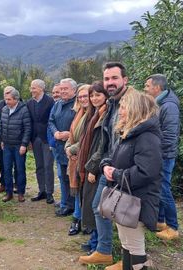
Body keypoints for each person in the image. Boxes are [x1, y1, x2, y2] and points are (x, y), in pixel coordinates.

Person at [79, 62, 134, 266]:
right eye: (107, 79)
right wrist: (102, 164)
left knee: (124, 213)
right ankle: (104, 250)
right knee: (100, 207)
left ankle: (130, 257)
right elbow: (107, 138)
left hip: (125, 169)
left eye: (114, 78)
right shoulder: (111, 104)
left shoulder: (133, 102)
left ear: (125, 80)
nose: (110, 82)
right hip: (108, 166)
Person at [100, 91, 162, 270]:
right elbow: (114, 156)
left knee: (135, 248)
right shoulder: (130, 133)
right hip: (126, 198)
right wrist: (106, 165)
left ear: (136, 109)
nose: (121, 111)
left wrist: (117, 175)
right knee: (127, 244)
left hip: (137, 200)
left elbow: (146, 172)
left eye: (124, 106)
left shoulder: (147, 137)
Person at [144, 74, 180, 241]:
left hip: (164, 155)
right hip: (160, 154)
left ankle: (173, 227)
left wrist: (153, 149)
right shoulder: (160, 103)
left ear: (157, 88)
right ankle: (160, 221)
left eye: (147, 86)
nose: (145, 89)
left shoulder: (169, 106)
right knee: (159, 187)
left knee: (163, 188)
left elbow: (170, 136)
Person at [78, 81, 108, 255]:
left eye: (98, 95)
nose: (94, 98)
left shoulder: (106, 115)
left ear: (105, 96)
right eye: (92, 95)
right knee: (89, 203)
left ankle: (99, 245)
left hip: (96, 166)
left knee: (96, 206)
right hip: (88, 162)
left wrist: (92, 168)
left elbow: (102, 146)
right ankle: (94, 240)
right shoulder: (94, 113)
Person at [65, 84, 93, 236]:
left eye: (85, 96)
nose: (82, 99)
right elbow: (72, 133)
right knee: (78, 191)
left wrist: (72, 149)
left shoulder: (92, 114)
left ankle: (82, 220)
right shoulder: (79, 113)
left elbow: (86, 139)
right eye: (80, 96)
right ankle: (77, 218)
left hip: (86, 158)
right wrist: (67, 147)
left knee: (85, 192)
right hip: (75, 158)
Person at [48, 78, 77, 217]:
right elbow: (51, 121)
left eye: (66, 89)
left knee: (71, 177)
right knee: (62, 176)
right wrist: (56, 133)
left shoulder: (78, 105)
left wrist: (69, 134)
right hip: (59, 147)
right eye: (61, 89)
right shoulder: (58, 104)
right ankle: (65, 202)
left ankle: (71, 205)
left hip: (72, 147)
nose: (63, 91)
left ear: (74, 90)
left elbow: (81, 125)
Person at [0, 87, 31, 202]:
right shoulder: (4, 109)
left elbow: (27, 129)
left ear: (16, 99)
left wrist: (24, 144)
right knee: (7, 169)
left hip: (19, 146)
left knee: (20, 169)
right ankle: (9, 192)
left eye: (9, 99)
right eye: (6, 99)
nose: (7, 102)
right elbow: (1, 126)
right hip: (7, 145)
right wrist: (1, 140)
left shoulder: (24, 110)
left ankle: (21, 193)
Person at [27, 79, 55, 204]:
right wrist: (29, 140)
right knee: (39, 166)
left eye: (33, 88)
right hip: (35, 138)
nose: (31, 90)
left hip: (47, 138)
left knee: (48, 166)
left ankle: (49, 193)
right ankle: (41, 191)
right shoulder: (29, 103)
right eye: (31, 88)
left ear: (41, 89)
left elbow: (52, 120)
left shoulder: (50, 101)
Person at [0, 87, 18, 194]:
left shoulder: (20, 104)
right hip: (2, 139)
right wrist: (0, 139)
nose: (6, 95)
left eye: (9, 93)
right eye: (5, 93)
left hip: (16, 140)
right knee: (3, 164)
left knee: (17, 164)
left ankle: (16, 184)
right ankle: (3, 183)